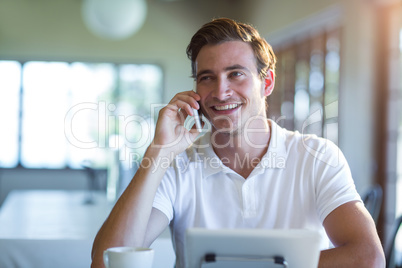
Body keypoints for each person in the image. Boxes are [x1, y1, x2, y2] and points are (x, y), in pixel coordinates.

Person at [91, 18, 385, 267]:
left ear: (266, 83)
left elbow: (368, 257)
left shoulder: (317, 155)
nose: (220, 91)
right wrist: (159, 152)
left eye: (236, 74)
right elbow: (106, 261)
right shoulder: (177, 163)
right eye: (207, 78)